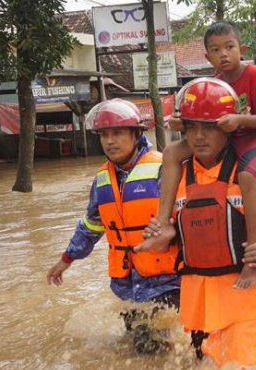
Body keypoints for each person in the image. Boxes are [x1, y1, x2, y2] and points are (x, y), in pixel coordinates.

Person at [139, 80, 256, 366]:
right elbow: (180, 238)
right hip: (200, 305)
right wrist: (163, 237)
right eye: (192, 128)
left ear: (228, 128)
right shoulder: (176, 179)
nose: (198, 137)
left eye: (208, 128)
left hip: (250, 299)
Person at [137, 21, 256, 291]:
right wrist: (184, 123)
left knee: (248, 175)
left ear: (242, 49)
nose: (223, 54)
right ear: (207, 57)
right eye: (216, 50)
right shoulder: (213, 83)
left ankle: (253, 254)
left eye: (229, 47)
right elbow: (202, 119)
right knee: (170, 152)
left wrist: (239, 119)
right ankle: (165, 225)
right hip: (224, 136)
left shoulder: (255, 74)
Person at [46, 99, 181, 354]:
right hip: (126, 281)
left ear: (136, 134)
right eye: (104, 135)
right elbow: (91, 225)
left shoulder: (163, 168)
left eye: (117, 133)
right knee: (134, 342)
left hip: (165, 279)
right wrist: (67, 258)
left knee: (148, 349)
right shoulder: (102, 179)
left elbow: (186, 215)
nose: (110, 141)